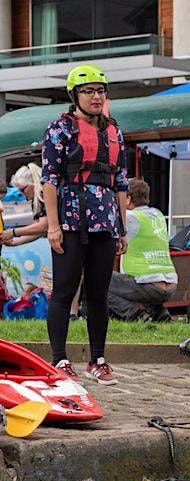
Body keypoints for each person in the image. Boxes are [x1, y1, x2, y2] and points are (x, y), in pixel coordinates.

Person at [41, 64, 130, 385]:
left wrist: (121, 228)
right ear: (75, 96)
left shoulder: (114, 132)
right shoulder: (59, 130)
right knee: (63, 291)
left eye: (100, 90)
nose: (96, 96)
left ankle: (98, 359)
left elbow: (120, 183)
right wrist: (53, 226)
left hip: (105, 222)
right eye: (88, 91)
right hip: (70, 220)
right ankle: (59, 360)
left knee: (98, 293)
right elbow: (49, 181)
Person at [107, 178, 176, 322]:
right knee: (136, 283)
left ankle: (134, 314)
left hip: (148, 284)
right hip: (170, 284)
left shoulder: (130, 217)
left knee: (96, 279)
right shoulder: (158, 215)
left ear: (128, 199)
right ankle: (159, 314)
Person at [1, 164, 47, 247]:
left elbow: (43, 226)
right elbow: (39, 230)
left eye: (22, 190)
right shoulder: (36, 201)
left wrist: (13, 232)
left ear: (33, 183)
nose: (22, 194)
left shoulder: (44, 195)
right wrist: (16, 242)